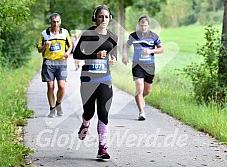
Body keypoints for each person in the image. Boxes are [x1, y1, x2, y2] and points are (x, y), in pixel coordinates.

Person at [73, 5, 117, 160]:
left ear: (110, 18)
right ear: (95, 18)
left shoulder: (112, 37)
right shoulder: (88, 34)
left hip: (105, 79)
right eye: (100, 16)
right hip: (88, 79)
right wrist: (95, 54)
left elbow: (113, 53)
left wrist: (113, 59)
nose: (103, 19)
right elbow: (76, 54)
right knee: (89, 112)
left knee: (103, 113)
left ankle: (102, 148)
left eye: (106, 17)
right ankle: (85, 123)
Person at [122, 14, 164, 121]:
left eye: (145, 25)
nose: (143, 27)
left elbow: (161, 49)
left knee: (147, 90)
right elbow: (127, 46)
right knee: (139, 88)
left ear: (148, 25)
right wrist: (125, 55)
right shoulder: (133, 36)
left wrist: (151, 51)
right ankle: (141, 112)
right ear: (138, 25)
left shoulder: (154, 36)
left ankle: (141, 97)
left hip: (149, 65)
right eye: (141, 25)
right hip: (137, 65)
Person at [37, 13, 72, 118]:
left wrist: (67, 53)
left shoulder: (65, 32)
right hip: (48, 63)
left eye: (58, 21)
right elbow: (39, 49)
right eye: (54, 22)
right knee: (50, 86)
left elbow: (70, 46)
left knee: (61, 86)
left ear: (60, 22)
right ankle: (52, 109)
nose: (56, 24)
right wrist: (44, 46)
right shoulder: (44, 34)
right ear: (50, 22)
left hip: (61, 63)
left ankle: (58, 104)